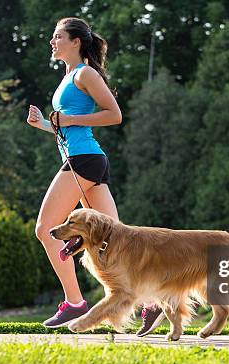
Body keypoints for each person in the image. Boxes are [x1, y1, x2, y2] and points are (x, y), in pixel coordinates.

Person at [27, 17, 164, 337]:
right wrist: (45, 126)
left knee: (46, 228)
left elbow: (113, 114)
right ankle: (156, 301)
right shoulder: (68, 77)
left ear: (76, 42)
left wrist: (67, 119)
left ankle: (74, 302)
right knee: (116, 241)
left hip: (83, 161)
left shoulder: (85, 73)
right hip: (87, 160)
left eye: (58, 36)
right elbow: (70, 127)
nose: (52, 41)